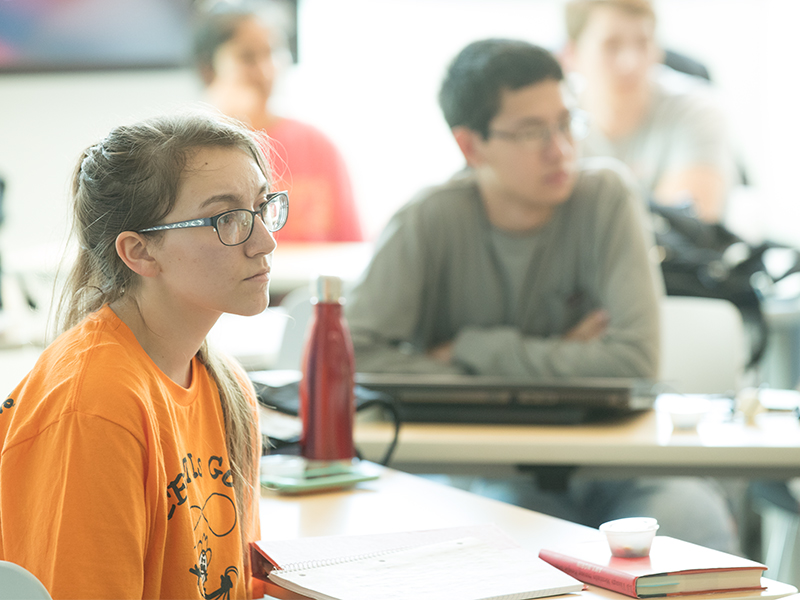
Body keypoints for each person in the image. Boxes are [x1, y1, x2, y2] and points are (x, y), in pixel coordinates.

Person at [346, 38, 739, 553]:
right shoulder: (428, 219)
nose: (560, 149)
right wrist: (567, 360)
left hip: (617, 458)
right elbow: (354, 358)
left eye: (566, 122)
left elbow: (633, 364)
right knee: (509, 531)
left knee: (691, 521)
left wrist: (469, 350)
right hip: (487, 463)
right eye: (532, 132)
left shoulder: (606, 197)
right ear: (470, 146)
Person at [0, 112, 286, 598]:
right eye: (227, 219)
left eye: (262, 207)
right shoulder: (96, 404)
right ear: (140, 252)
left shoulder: (225, 385)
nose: (265, 241)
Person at [193, 5, 363, 242]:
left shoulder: (317, 145)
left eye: (272, 53)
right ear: (209, 69)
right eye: (247, 57)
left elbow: (351, 242)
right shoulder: (195, 154)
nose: (266, 71)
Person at [561, 0, 737, 223]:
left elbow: (687, 226)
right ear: (572, 54)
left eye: (643, 43)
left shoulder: (698, 111)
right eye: (611, 46)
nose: (630, 63)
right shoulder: (554, 119)